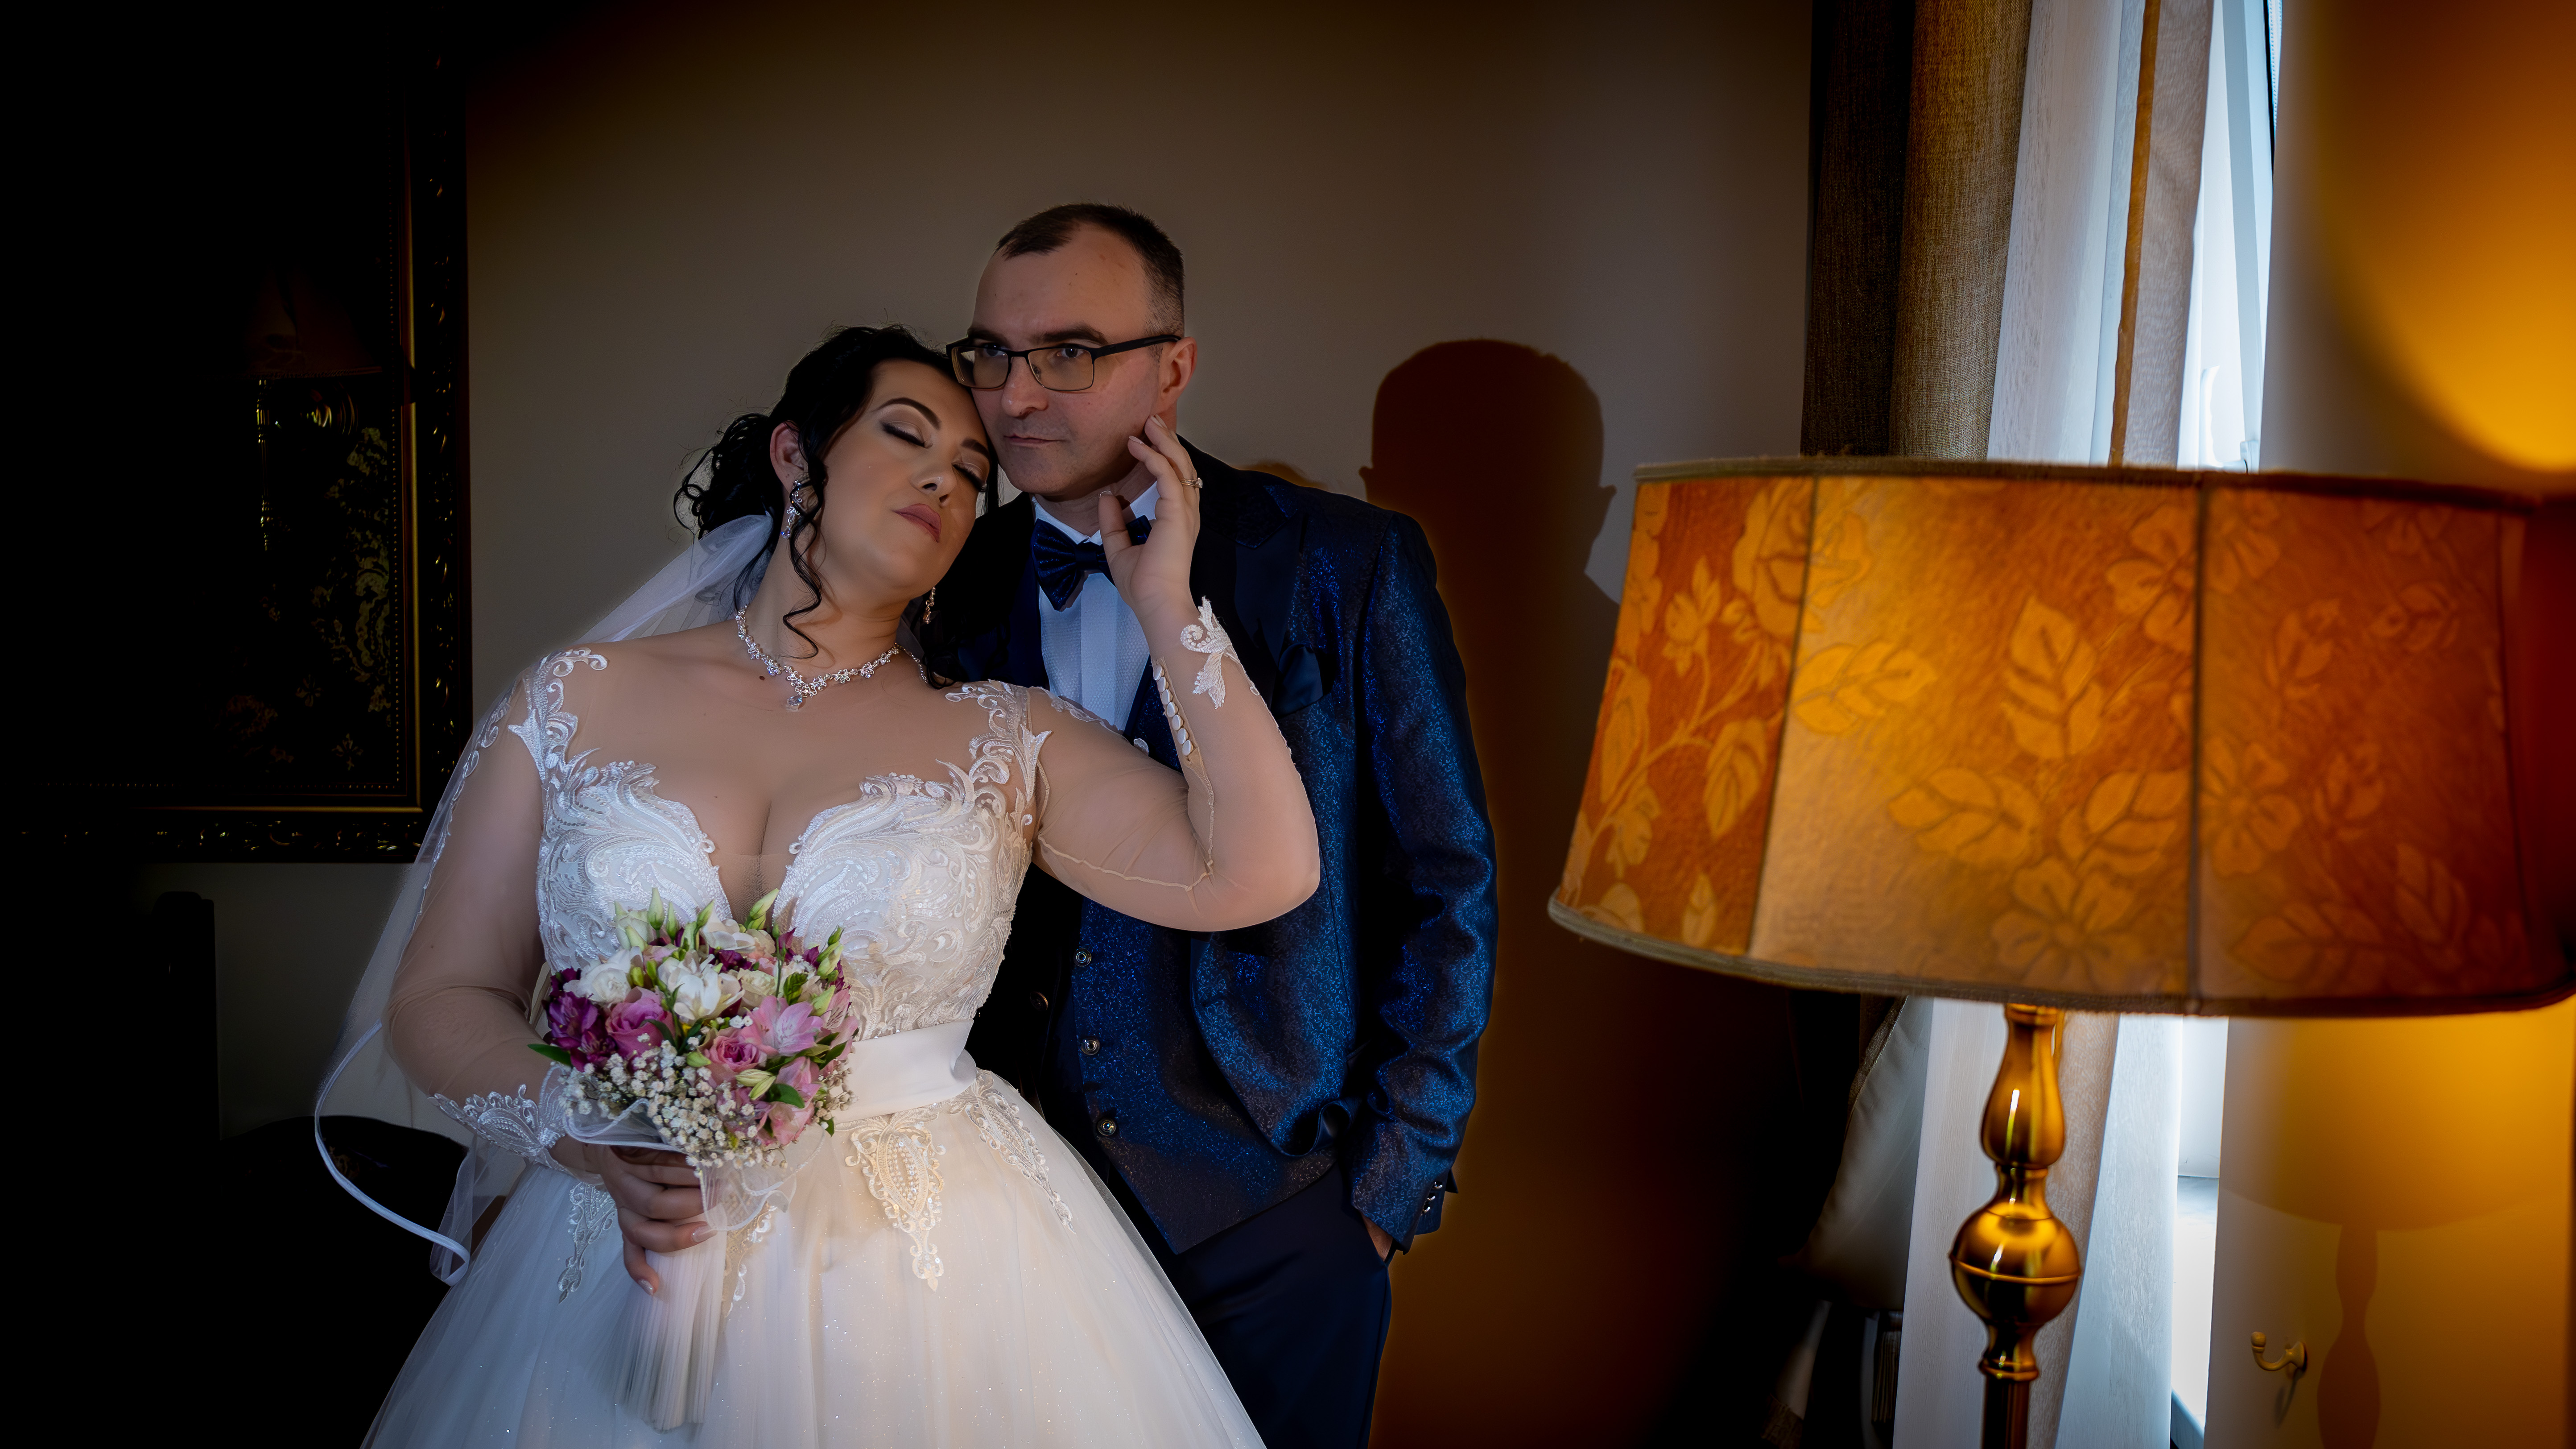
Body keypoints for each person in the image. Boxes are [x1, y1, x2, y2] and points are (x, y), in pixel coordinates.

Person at [333, 324, 1319, 1445]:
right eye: (905, 435)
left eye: (971, 472)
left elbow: (1262, 869)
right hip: (610, 1244)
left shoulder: (1008, 739)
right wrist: (592, 1133)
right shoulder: (574, 698)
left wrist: (1166, 604)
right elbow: (441, 996)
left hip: (925, 1277)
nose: (943, 480)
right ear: (796, 454)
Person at [929, 204, 1498, 1449]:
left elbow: (1444, 882)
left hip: (1279, 1210)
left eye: (1068, 353)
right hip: (999, 1202)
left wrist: (1385, 1188)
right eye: (992, 354)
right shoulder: (936, 583)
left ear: (1173, 367)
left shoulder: (1344, 564)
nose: (1016, 395)